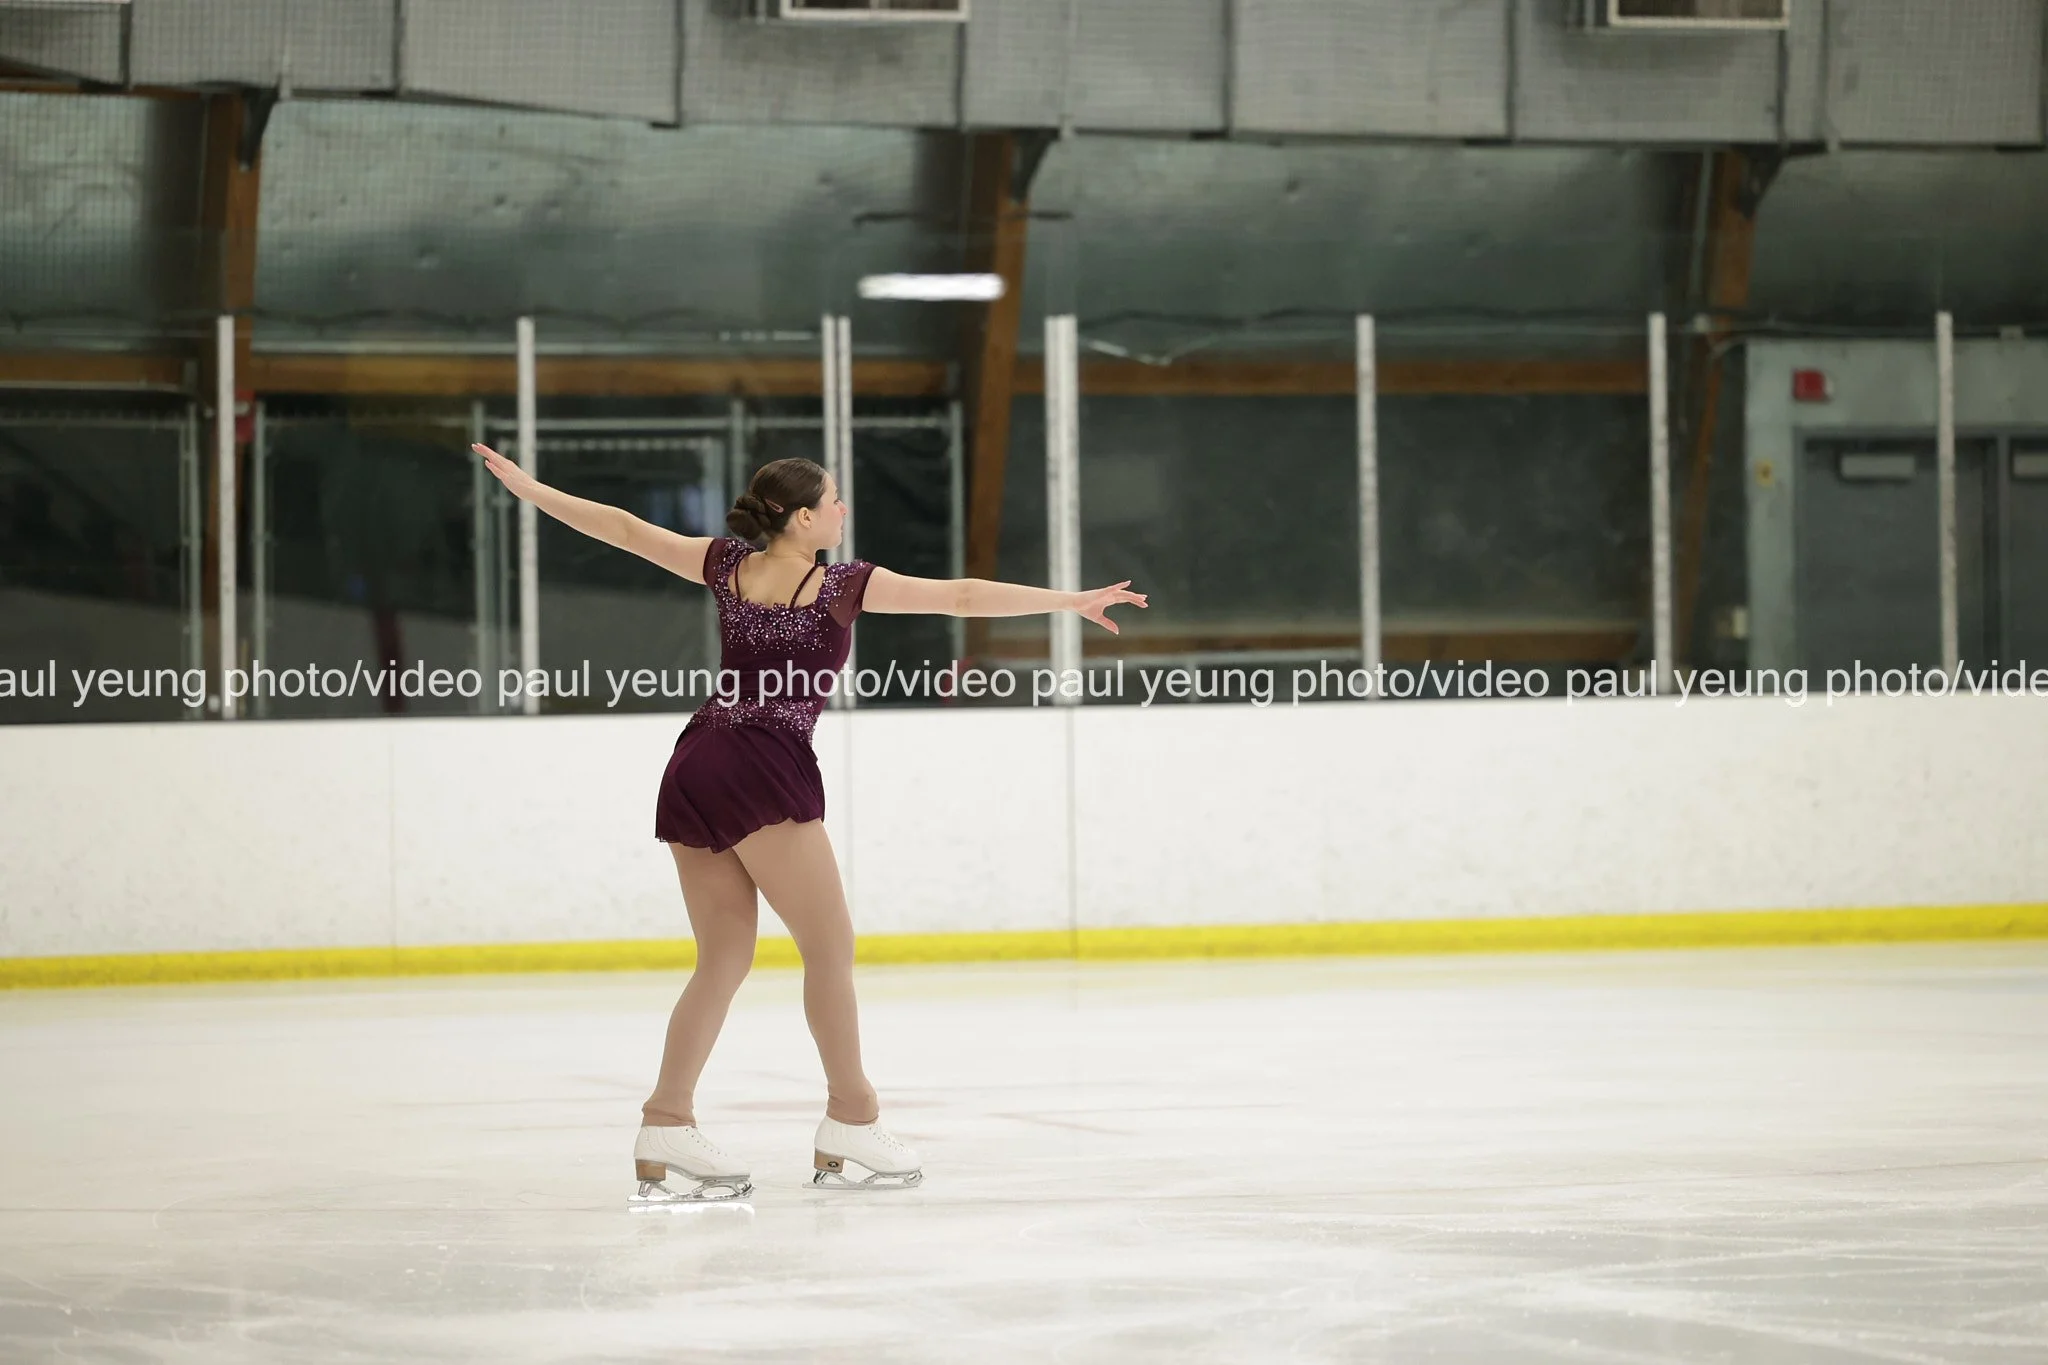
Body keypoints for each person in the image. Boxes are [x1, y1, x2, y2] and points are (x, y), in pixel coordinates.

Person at [471, 444, 1145, 1201]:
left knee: (723, 958)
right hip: (760, 767)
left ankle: (666, 1121)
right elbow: (959, 597)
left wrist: (532, 490)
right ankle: (852, 1116)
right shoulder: (842, 586)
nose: (842, 510)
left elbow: (626, 530)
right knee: (830, 947)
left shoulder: (725, 566)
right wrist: (1068, 601)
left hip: (698, 760)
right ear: (801, 517)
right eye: (833, 500)